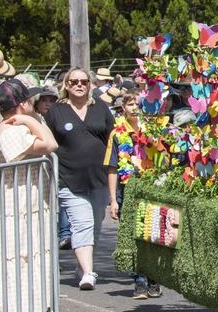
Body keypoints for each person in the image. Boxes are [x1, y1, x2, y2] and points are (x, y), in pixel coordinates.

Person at [0, 79, 57, 312]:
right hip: (13, 204)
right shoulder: (10, 129)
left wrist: (31, 121)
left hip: (27, 202)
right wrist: (29, 120)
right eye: (30, 101)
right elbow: (50, 144)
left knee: (31, 254)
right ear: (22, 104)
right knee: (14, 256)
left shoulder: (19, 125)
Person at [45, 67, 114, 291]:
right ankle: (88, 273)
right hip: (68, 178)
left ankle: (81, 265)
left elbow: (112, 138)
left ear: (90, 85)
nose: (79, 85)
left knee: (94, 225)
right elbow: (47, 141)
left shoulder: (101, 108)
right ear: (66, 85)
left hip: (98, 178)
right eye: (73, 81)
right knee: (81, 224)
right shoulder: (56, 111)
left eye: (83, 81)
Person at [104, 91, 159, 300]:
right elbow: (111, 168)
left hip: (152, 187)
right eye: (130, 104)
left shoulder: (153, 129)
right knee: (134, 236)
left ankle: (154, 278)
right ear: (123, 108)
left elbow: (164, 156)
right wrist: (112, 199)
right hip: (128, 189)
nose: (134, 107)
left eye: (138, 103)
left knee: (153, 234)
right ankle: (140, 280)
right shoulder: (117, 133)